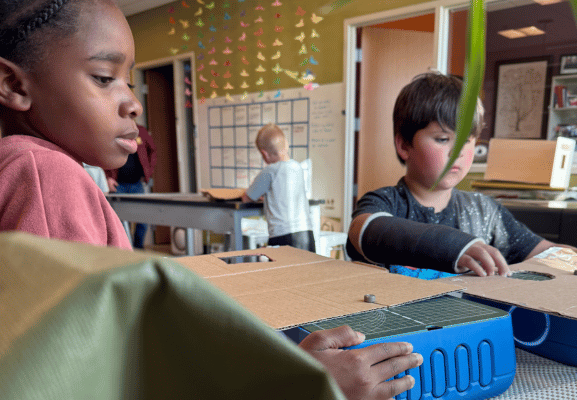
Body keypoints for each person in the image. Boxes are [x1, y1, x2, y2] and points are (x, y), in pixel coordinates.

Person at [0, 1, 422, 398]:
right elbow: (85, 381)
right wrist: (294, 385)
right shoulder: (43, 174)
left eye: (129, 81)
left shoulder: (26, 166)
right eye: (104, 78)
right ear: (14, 84)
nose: (133, 104)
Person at [347, 72, 577, 279]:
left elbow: (546, 253)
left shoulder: (486, 211)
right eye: (442, 139)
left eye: (467, 141)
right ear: (404, 145)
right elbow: (364, 230)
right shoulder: (385, 203)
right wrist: (452, 246)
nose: (457, 152)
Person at [242, 124, 316, 252]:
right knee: (305, 271)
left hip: (282, 236)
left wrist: (259, 195)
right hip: (307, 234)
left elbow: (247, 198)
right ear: (286, 144)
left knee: (281, 272)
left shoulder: (270, 171)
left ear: (264, 154)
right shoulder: (297, 167)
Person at [105, 124, 157, 249]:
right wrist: (107, 177)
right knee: (119, 222)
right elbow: (104, 153)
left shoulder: (141, 131)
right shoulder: (113, 130)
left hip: (136, 184)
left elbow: (153, 150)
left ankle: (138, 248)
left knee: (143, 219)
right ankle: (126, 251)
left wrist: (148, 172)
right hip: (118, 186)